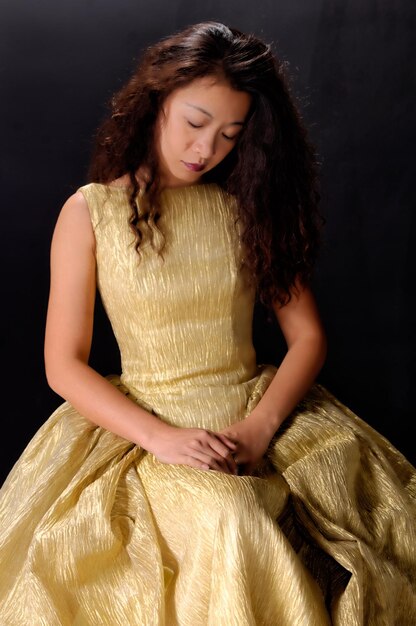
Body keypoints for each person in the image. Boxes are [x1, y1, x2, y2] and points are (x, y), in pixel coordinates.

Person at [0, 20, 415, 626]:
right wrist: (162, 439)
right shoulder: (91, 212)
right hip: (146, 429)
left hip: (257, 418)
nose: (207, 149)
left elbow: (308, 337)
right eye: (196, 123)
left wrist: (256, 429)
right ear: (157, 101)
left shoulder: (247, 209)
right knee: (232, 523)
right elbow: (62, 363)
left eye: (229, 135)